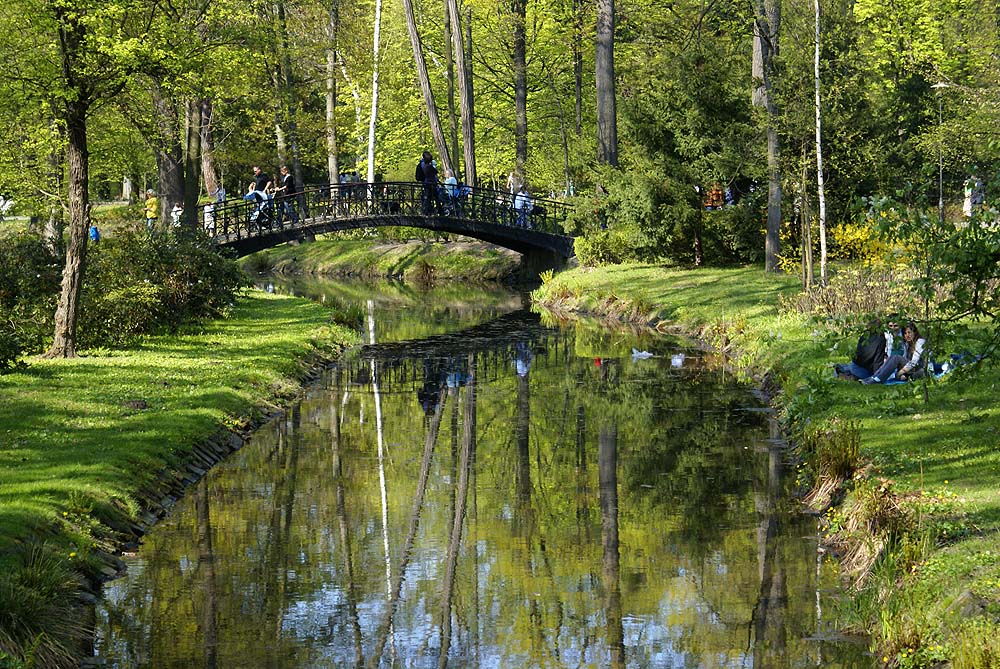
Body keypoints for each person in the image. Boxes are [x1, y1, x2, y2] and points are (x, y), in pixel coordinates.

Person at [860, 321, 927, 384]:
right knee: (892, 359)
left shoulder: (920, 342)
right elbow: (905, 358)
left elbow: (913, 362)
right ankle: (873, 377)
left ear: (914, 333)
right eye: (905, 333)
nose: (907, 335)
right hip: (912, 368)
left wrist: (900, 373)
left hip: (921, 369)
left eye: (909, 332)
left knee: (896, 358)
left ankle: (878, 379)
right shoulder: (908, 343)